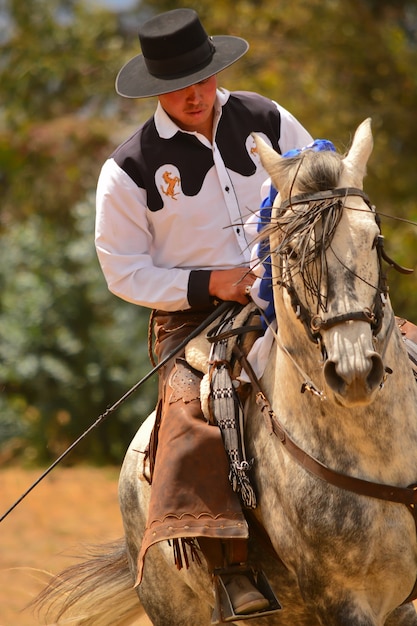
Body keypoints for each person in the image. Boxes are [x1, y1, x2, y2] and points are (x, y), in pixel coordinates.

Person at [95, 7, 313, 619]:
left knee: (395, 351)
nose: (195, 95)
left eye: (203, 79)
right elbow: (123, 270)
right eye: (178, 86)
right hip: (193, 320)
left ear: (216, 71)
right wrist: (211, 282)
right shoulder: (128, 169)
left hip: (294, 293)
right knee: (194, 409)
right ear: (157, 90)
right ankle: (228, 565)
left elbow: (313, 186)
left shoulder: (267, 118)